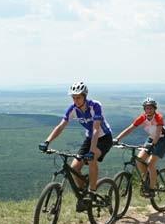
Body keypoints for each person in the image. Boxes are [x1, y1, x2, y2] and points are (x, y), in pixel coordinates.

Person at [39, 81, 113, 212]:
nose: (76, 100)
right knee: (74, 168)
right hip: (90, 138)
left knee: (91, 158)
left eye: (78, 97)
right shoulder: (72, 109)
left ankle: (92, 192)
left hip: (104, 138)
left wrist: (91, 151)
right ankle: (83, 192)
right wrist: (47, 141)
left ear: (84, 96)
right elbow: (60, 126)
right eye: (73, 97)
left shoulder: (95, 106)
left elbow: (96, 130)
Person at [113, 97, 165, 197]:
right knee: (139, 160)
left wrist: (152, 145)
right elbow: (130, 129)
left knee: (151, 164)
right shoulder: (142, 118)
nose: (148, 110)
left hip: (161, 140)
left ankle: (152, 190)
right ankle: (147, 179)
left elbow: (158, 133)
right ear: (144, 109)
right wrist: (117, 139)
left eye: (150, 108)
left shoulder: (159, 117)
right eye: (146, 108)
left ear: (154, 109)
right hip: (151, 139)